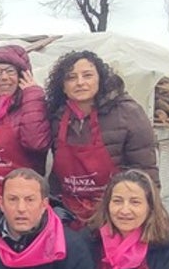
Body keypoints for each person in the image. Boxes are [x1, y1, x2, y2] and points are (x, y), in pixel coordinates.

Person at [45, 50, 158, 227]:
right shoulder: (57, 117)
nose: (80, 83)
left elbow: (146, 170)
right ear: (63, 86)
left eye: (87, 75)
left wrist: (149, 215)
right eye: (71, 77)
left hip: (115, 213)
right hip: (69, 214)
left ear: (100, 79)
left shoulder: (128, 114)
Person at [0, 44, 51, 225]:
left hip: (19, 203)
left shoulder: (31, 106)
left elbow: (36, 142)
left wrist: (33, 95)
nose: (4, 77)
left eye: (10, 71)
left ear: (22, 76)